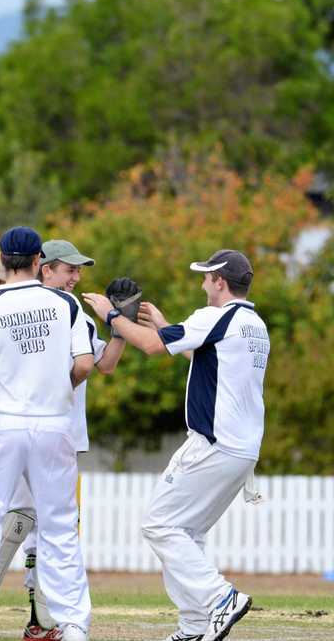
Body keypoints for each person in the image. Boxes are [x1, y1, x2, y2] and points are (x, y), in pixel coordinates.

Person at [81, 249, 266, 641]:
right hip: (242, 449)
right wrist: (167, 326)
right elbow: (206, 357)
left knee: (159, 524)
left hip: (213, 443)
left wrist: (111, 317)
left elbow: (151, 347)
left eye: (205, 277)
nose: (202, 284)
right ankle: (195, 627)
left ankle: (220, 599)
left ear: (220, 281)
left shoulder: (215, 317)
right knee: (187, 533)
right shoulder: (253, 323)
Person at [0, 227, 93, 641]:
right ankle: (73, 621)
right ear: (39, 260)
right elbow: (85, 364)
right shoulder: (66, 303)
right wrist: (58, 389)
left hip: (3, 421)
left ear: (3, 260)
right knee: (59, 524)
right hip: (54, 421)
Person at [0, 240, 130, 639]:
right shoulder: (15, 311)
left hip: (62, 436)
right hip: (24, 430)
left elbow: (105, 365)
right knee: (20, 520)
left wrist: (118, 324)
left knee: (45, 527)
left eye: (79, 270)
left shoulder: (77, 316)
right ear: (44, 268)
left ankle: (39, 618)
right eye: (70, 269)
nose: (77, 277)